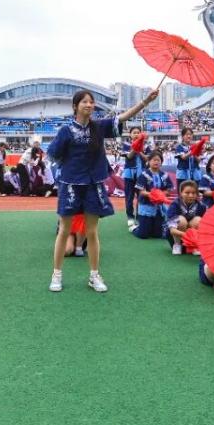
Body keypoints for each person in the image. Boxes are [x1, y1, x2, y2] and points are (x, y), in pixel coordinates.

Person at [46, 87, 158, 292]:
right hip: (70, 185)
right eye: (84, 102)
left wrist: (145, 102)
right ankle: (57, 274)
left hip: (93, 184)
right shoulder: (65, 131)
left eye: (91, 102)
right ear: (75, 106)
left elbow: (122, 117)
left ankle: (94, 275)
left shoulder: (98, 127)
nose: (89, 105)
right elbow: (53, 154)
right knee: (64, 231)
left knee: (92, 231)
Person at [166, 181, 208, 255]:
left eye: (193, 193)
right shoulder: (174, 205)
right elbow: (172, 230)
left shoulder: (202, 206)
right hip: (177, 236)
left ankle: (194, 246)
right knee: (181, 220)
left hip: (193, 239)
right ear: (181, 193)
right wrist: (188, 235)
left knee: (198, 220)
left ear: (197, 194)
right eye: (187, 193)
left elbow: (205, 229)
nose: (191, 195)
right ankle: (177, 245)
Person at [121, 126, 150, 230]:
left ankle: (139, 216)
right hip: (129, 174)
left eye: (138, 132)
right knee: (129, 196)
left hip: (141, 175)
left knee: (141, 196)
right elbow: (129, 156)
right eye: (134, 132)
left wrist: (140, 148)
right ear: (130, 135)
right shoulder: (126, 145)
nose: (136, 134)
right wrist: (136, 147)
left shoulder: (146, 146)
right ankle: (130, 217)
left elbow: (147, 159)